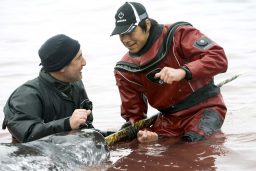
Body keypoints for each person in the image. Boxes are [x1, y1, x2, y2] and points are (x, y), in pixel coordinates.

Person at [110, 2, 228, 143]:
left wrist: (183, 72)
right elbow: (135, 117)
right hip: (169, 120)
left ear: (147, 24)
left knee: (194, 146)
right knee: (144, 147)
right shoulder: (124, 70)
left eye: (130, 32)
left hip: (205, 108)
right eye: (121, 34)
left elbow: (219, 58)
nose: (126, 40)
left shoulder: (178, 34)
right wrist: (145, 135)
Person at [2, 34, 95, 143]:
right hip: (31, 156)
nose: (84, 62)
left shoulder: (76, 84)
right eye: (79, 58)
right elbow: (27, 134)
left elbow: (86, 128)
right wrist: (67, 123)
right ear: (61, 67)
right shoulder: (26, 96)